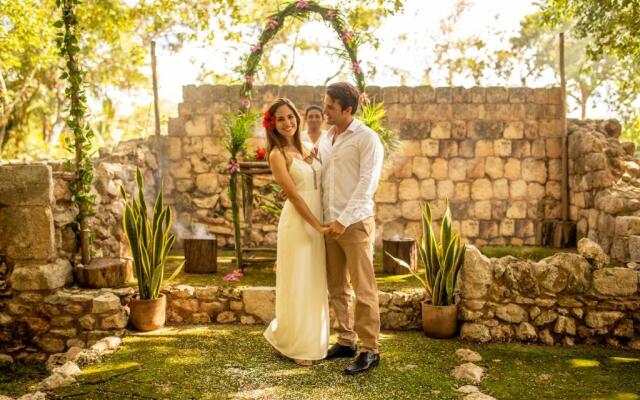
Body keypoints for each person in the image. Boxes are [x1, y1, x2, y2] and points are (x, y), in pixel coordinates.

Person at [318, 82, 384, 375]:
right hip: (329, 222)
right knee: (337, 285)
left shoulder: (367, 139)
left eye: (330, 107)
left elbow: (367, 184)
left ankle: (370, 349)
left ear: (347, 109)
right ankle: (346, 340)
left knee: (363, 286)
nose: (324, 111)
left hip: (354, 223)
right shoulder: (326, 138)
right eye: (325, 104)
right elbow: (320, 175)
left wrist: (343, 221)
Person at [262, 98, 330, 366]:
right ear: (273, 125)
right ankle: (294, 344)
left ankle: (311, 339)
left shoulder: (310, 148)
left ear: (297, 118)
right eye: (280, 119)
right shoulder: (276, 155)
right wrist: (317, 225)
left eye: (290, 116)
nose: (287, 122)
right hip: (298, 224)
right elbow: (293, 195)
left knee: (314, 281)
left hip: (317, 220)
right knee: (297, 280)